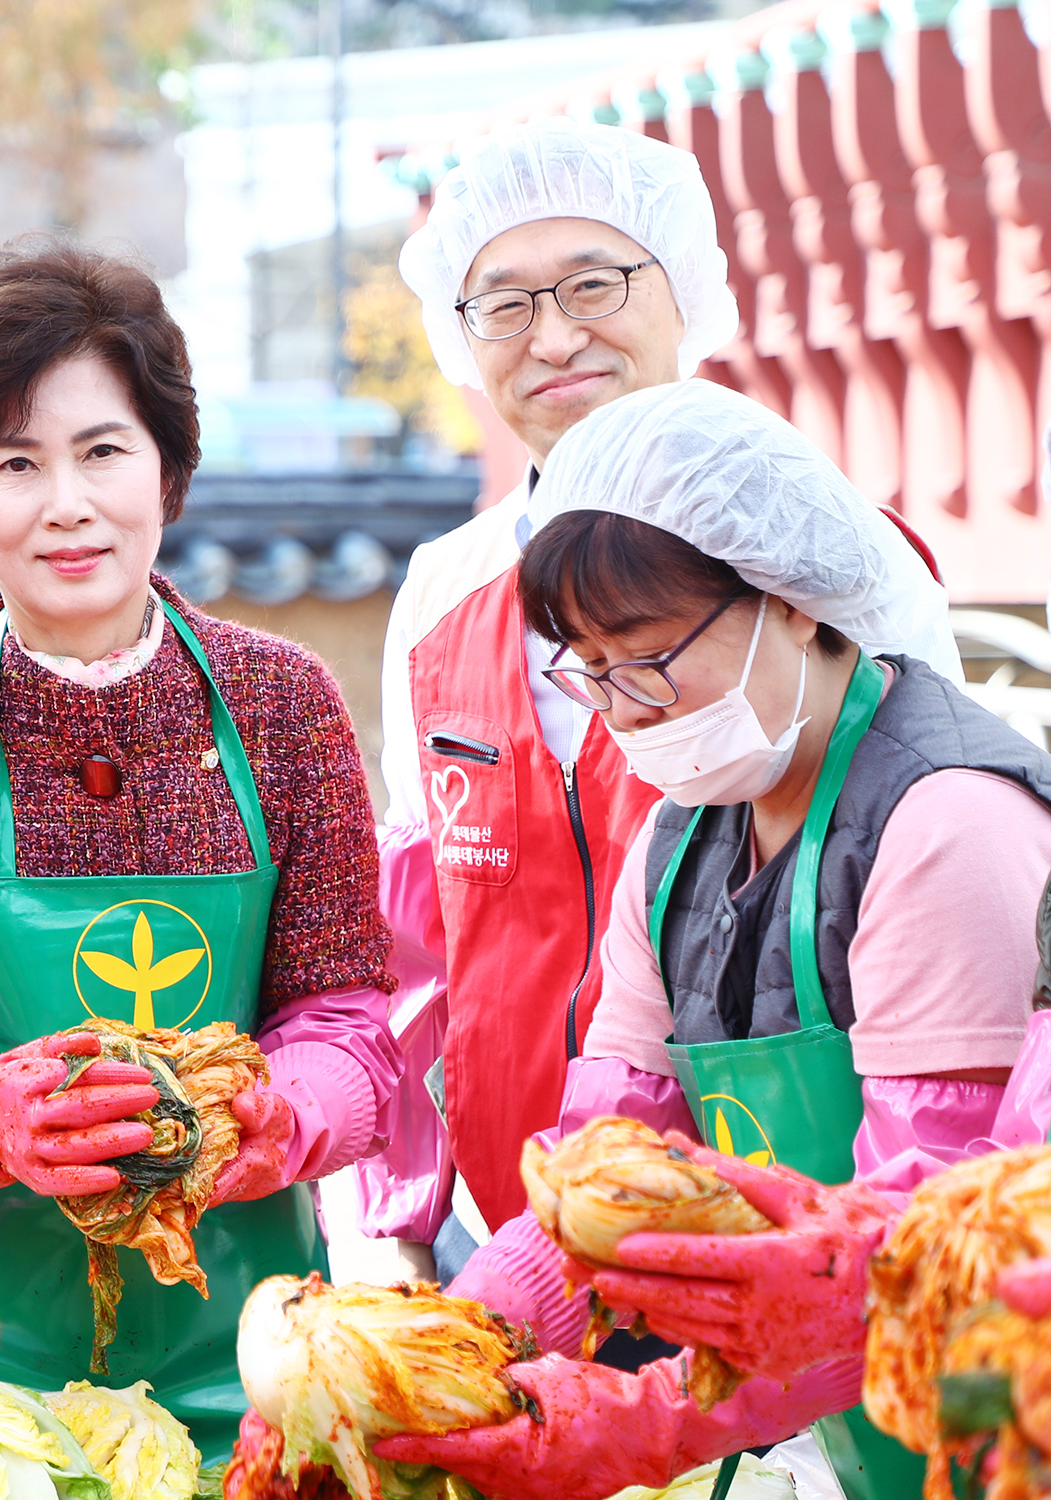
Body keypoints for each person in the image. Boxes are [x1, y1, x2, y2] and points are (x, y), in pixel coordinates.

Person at [374, 379, 1051, 1500]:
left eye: (647, 655)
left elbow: (942, 1250)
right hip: (812, 1422)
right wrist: (457, 1342)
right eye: (587, 668)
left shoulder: (948, 821)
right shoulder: (681, 839)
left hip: (969, 1421)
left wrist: (642, 1422)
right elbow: (617, 1175)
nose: (624, 708)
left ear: (791, 599)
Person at [0, 239, 400, 1459]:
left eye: (103, 451)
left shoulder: (283, 702)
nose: (66, 503)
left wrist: (269, 1121)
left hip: (256, 1362)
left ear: (168, 472)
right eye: (15, 462)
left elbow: (349, 1021)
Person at [363, 115, 961, 1288]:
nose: (556, 335)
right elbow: (420, 937)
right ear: (457, 334)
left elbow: (915, 896)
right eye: (505, 303)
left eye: (594, 281)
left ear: (685, 291)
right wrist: (403, 1215)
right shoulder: (441, 589)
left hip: (778, 1224)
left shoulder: (833, 564)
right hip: (503, 1231)